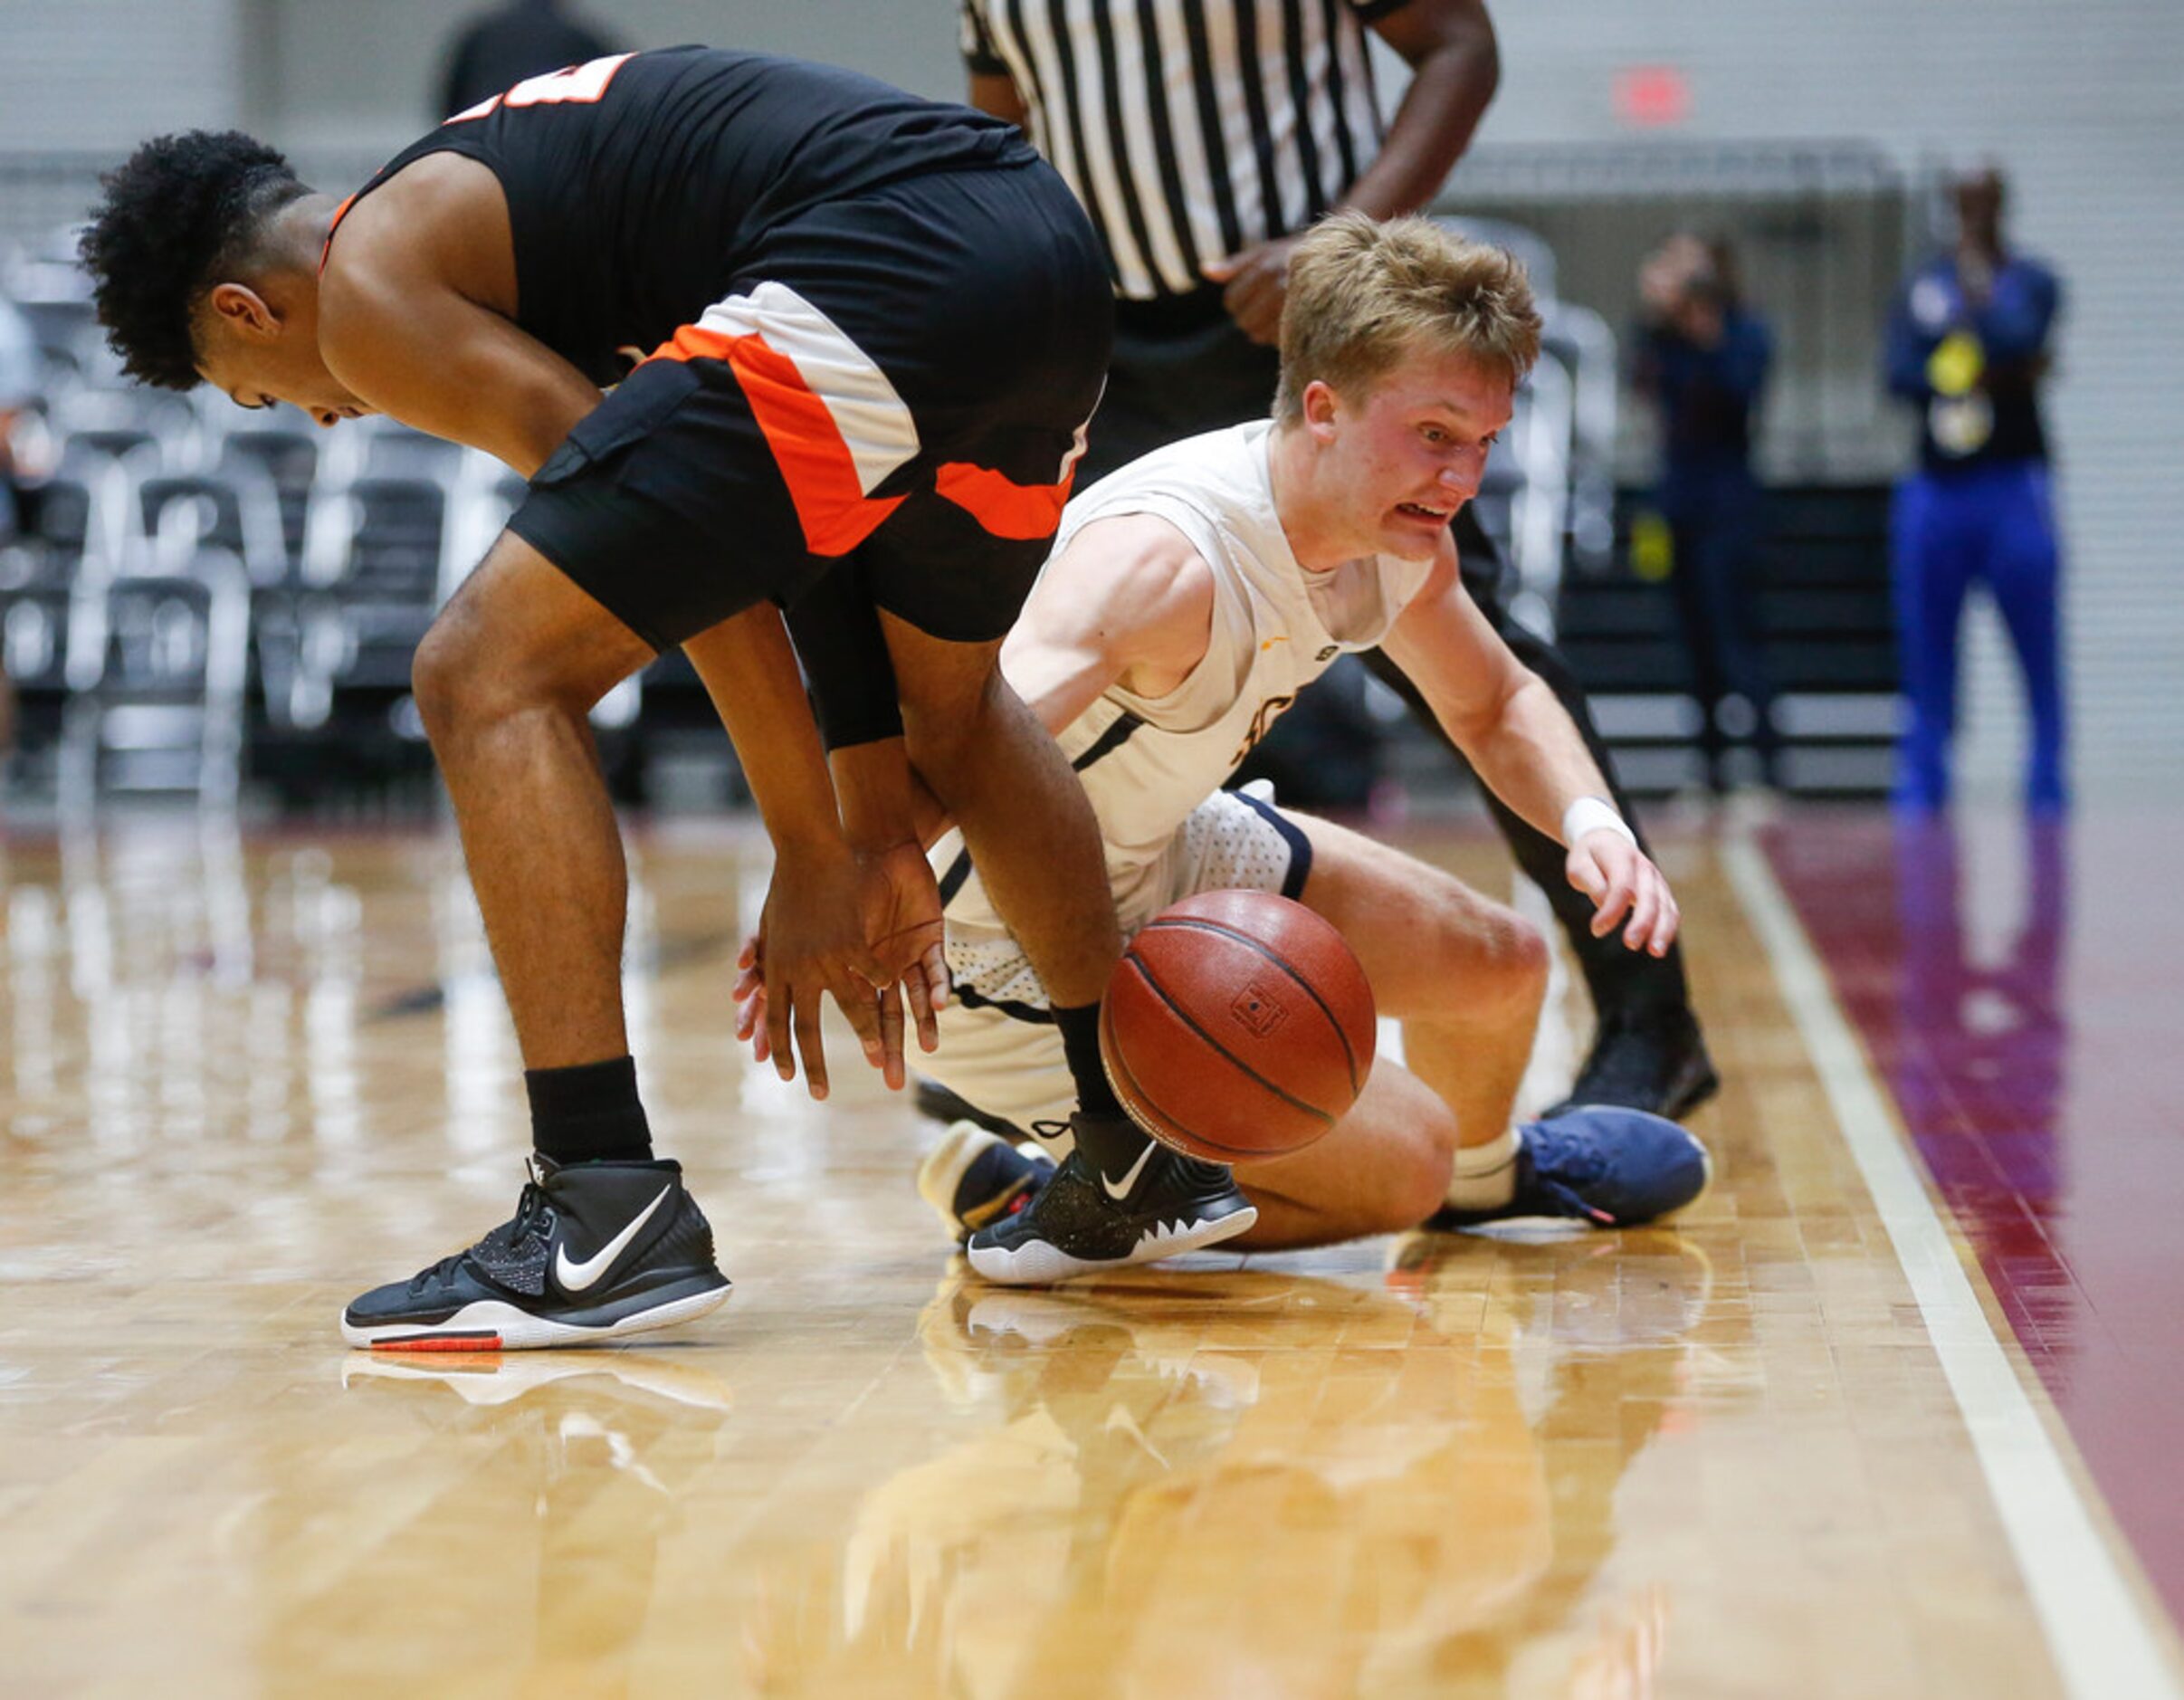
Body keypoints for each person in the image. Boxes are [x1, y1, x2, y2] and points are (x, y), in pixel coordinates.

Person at [81, 45, 1187, 1348]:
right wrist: (871, 817)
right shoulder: (510, 216)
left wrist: (809, 846)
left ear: (247, 307)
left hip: (888, 262)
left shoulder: (376, 282)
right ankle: (1135, 1145)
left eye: (267, 393)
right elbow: (776, 538)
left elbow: (704, 579)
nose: (326, 420)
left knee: (478, 671)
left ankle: (599, 1198)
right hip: (1036, 259)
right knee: (958, 707)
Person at [740, 217, 1710, 1284]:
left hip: (1153, 844)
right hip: (999, 933)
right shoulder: (1166, 563)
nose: (1463, 476)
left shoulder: (1392, 535)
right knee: (1402, 1168)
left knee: (1502, 966)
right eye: (1436, 432)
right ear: (1325, 410)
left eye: (1483, 440)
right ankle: (1067, 1192)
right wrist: (831, 883)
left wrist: (1592, 822)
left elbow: (1494, 701)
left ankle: (1486, 1184)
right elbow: (954, 735)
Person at [955, 0, 1718, 1118]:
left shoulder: (1380, 445)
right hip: (1099, 326)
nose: (1466, 470)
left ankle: (1647, 1010)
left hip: (1275, 309)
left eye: (1482, 446)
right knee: (1068, 650)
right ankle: (1008, 1026)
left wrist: (1337, 244)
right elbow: (1001, 132)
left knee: (1471, 645)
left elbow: (1460, 43)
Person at [1884, 166, 2065, 814]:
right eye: (1959, 203)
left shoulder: (2031, 280)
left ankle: (2046, 783)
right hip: (1937, 487)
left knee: (2036, 647)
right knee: (1927, 647)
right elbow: (1900, 372)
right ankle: (1923, 781)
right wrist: (1975, 367)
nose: (1969, 215)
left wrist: (1977, 305)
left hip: (2011, 483)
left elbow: (2023, 336)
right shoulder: (1921, 284)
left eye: (1980, 202)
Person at [1631, 231, 1779, 791]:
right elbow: (1644, 385)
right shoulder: (1662, 339)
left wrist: (1705, 330)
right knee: (1692, 644)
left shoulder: (1744, 332)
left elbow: (1740, 395)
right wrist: (1657, 318)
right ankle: (1711, 766)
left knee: (1738, 640)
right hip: (1677, 501)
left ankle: (1766, 768)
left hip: (1730, 503)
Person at [436, 0, 623, 120]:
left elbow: (449, 101)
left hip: (478, 141)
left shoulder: (480, 32)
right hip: (549, 153)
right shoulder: (581, 39)